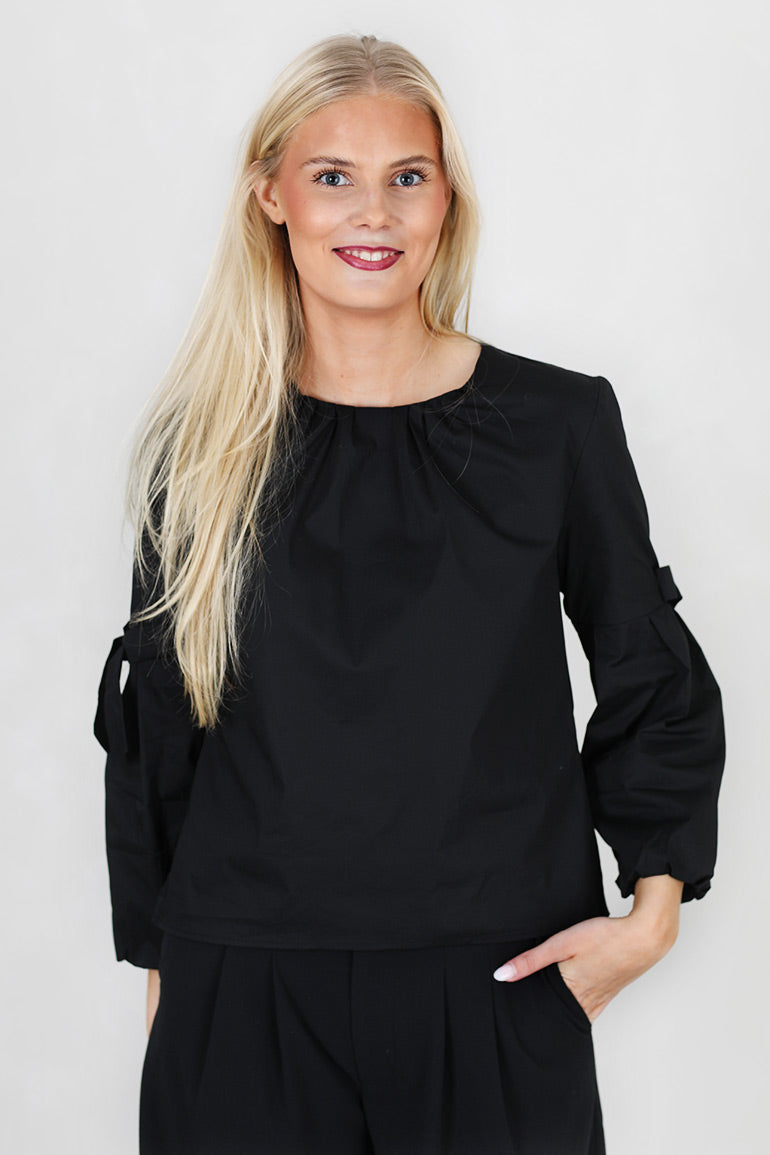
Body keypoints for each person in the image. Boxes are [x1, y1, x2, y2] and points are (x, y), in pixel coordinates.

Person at [94, 32, 725, 1155]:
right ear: (271, 196)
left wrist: (651, 916)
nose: (373, 213)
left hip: (497, 976)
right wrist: (162, 972)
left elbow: (648, 666)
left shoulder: (558, 426)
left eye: (407, 177)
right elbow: (160, 729)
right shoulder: (200, 450)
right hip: (241, 986)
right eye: (334, 176)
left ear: (445, 199)